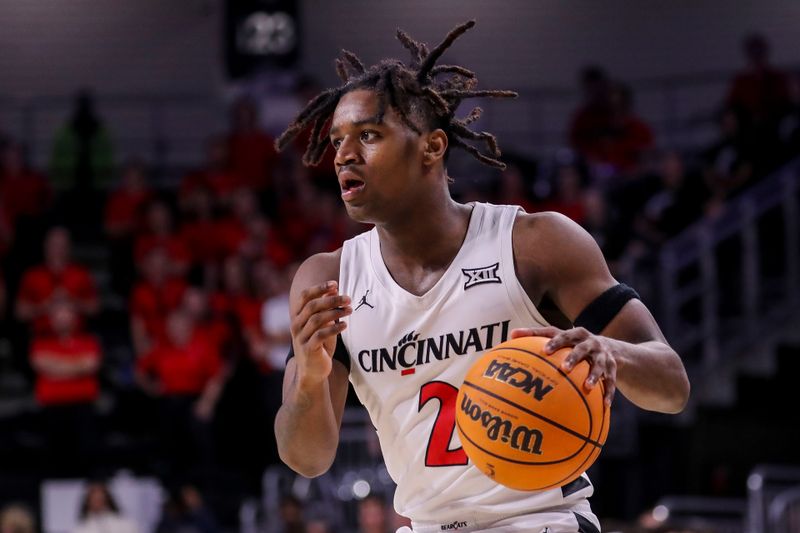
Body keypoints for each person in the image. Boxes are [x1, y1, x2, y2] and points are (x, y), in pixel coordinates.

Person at [273, 21, 690, 533]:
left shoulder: (534, 244)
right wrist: (311, 384)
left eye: (369, 135)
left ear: (431, 147)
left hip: (542, 520)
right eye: (338, 140)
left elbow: (672, 385)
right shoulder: (329, 279)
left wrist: (613, 355)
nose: (344, 155)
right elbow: (307, 458)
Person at [73, 481, 141, 533]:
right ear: (87, 502)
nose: (98, 504)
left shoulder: (125, 525)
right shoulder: (81, 529)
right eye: (94, 500)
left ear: (107, 501)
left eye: (100, 500)